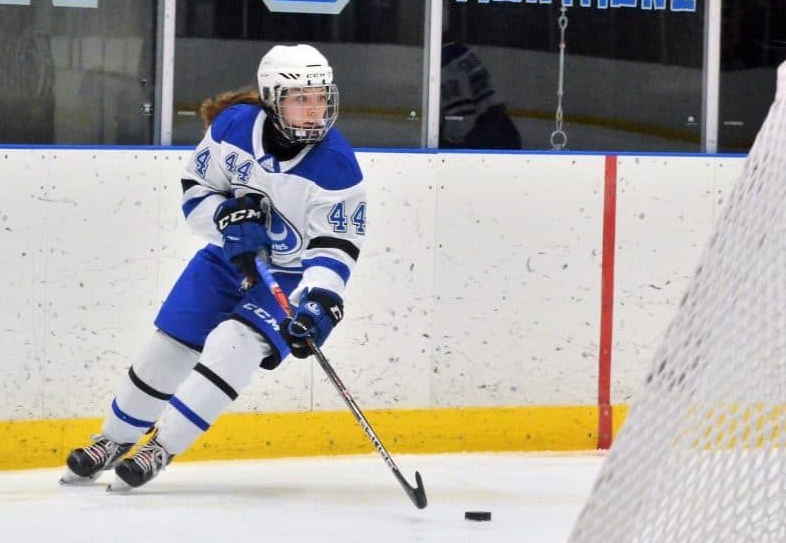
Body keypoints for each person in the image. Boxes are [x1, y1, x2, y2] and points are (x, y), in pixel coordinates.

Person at [59, 44, 367, 490]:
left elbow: (336, 247)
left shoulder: (337, 167)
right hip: (226, 260)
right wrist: (226, 222)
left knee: (235, 343)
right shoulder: (233, 128)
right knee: (170, 345)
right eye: (301, 98)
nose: (314, 109)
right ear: (271, 98)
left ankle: (159, 447)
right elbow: (196, 191)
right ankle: (111, 440)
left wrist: (319, 300)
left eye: (320, 97)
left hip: (291, 275)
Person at [439, 41, 522, 150]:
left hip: (487, 139)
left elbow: (463, 117)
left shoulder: (445, 61)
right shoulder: (460, 50)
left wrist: (442, 146)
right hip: (505, 129)